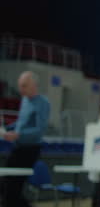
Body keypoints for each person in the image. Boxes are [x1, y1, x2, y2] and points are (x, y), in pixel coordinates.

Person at [2, 71, 50, 207]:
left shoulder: (43, 103)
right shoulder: (24, 100)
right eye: (20, 86)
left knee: (12, 189)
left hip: (30, 150)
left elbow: (39, 130)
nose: (20, 89)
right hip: (17, 148)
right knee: (7, 187)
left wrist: (18, 135)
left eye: (24, 86)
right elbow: (20, 124)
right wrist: (7, 128)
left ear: (34, 85)